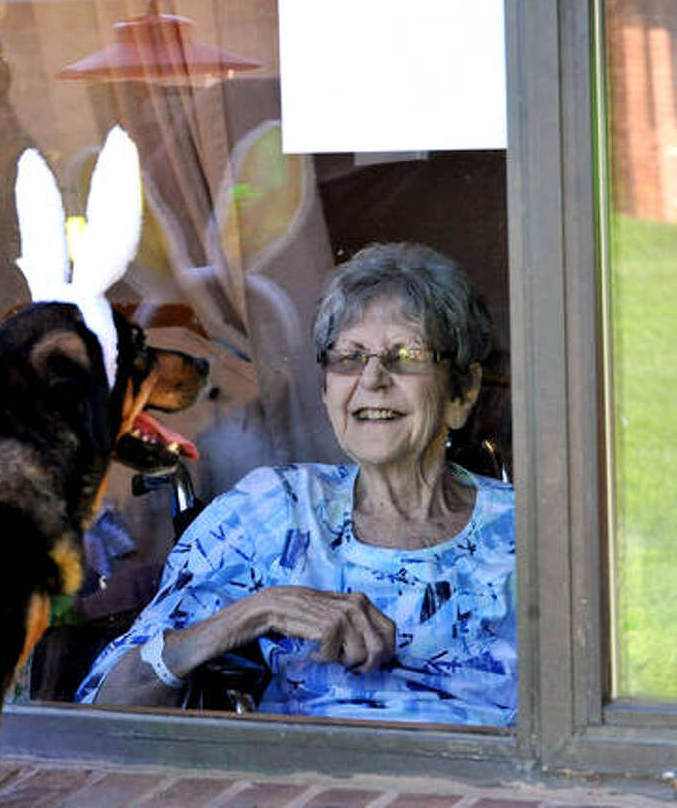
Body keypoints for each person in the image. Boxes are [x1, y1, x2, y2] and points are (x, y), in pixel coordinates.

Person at [77, 242, 516, 727]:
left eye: (406, 355)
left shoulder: (529, 533)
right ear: (328, 390)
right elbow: (103, 705)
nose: (371, 379)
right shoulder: (273, 511)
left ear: (462, 392)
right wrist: (259, 610)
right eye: (348, 356)